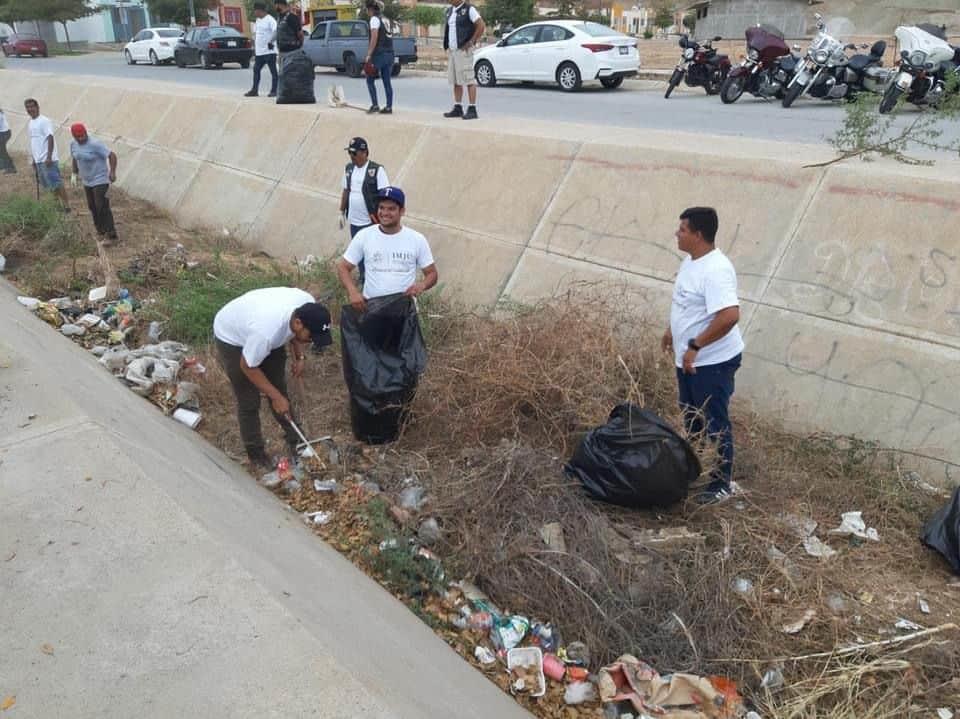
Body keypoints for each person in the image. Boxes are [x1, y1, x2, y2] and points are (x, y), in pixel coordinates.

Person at [661, 207, 744, 505]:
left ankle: (721, 483)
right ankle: (695, 470)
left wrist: (695, 346)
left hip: (712, 362)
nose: (677, 233)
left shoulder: (716, 270)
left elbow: (729, 316)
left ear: (698, 235)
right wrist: (672, 330)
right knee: (692, 417)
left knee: (714, 421)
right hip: (689, 360)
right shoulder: (690, 261)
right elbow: (687, 304)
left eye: (682, 229)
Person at [213, 288, 332, 469]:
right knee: (249, 400)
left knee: (279, 390)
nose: (312, 342)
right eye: (311, 337)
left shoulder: (307, 304)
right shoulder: (266, 333)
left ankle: (297, 442)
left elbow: (296, 336)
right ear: (298, 323)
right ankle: (256, 455)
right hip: (232, 338)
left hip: (260, 327)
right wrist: (275, 397)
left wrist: (299, 357)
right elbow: (248, 366)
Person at [336, 186, 437, 311]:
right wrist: (353, 292)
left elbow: (432, 273)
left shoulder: (417, 239)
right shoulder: (365, 235)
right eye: (381, 208)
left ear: (402, 211)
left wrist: (422, 285)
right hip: (372, 309)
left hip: (404, 312)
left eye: (391, 209)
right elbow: (343, 267)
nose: (384, 213)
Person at [69, 123, 118, 244]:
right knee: (92, 206)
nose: (81, 138)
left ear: (86, 133)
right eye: (78, 137)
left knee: (101, 205)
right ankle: (100, 230)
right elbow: (75, 158)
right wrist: (74, 174)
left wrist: (112, 172)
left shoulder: (95, 144)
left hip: (100, 178)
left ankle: (111, 234)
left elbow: (112, 155)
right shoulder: (73, 145)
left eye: (83, 135)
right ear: (74, 136)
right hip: (87, 180)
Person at [442, 0, 485, 120]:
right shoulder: (450, 11)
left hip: (464, 50)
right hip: (453, 51)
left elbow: (481, 25)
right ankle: (458, 107)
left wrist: (471, 42)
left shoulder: (469, 9)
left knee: (469, 79)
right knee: (456, 80)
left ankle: (472, 108)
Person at [340, 137, 390, 240]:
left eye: (354, 153)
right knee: (357, 252)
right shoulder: (348, 168)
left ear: (364, 152)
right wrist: (341, 212)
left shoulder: (377, 170)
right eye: (349, 152)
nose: (351, 156)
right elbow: (346, 190)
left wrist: (383, 218)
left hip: (370, 222)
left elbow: (385, 196)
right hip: (354, 222)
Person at [24, 98, 69, 210]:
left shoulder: (44, 121)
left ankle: (66, 206)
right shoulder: (30, 123)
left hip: (47, 159)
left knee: (56, 183)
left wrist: (49, 156)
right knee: (47, 185)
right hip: (38, 160)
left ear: (37, 107)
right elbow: (34, 142)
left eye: (32, 106)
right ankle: (57, 205)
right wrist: (34, 159)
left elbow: (50, 137)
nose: (30, 109)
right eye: (28, 107)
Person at [362, 0, 395, 114]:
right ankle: (389, 107)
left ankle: (375, 105)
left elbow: (374, 37)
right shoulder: (386, 19)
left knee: (369, 79)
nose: (367, 12)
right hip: (390, 53)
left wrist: (369, 54)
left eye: (367, 10)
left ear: (371, 9)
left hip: (379, 54)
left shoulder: (374, 19)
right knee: (387, 81)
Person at [246, 2, 278, 97]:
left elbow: (276, 31)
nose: (254, 13)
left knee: (273, 71)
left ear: (260, 11)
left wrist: (271, 42)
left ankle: (274, 91)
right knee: (256, 70)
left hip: (269, 51)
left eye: (255, 11)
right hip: (259, 52)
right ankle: (254, 90)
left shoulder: (270, 19)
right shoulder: (258, 20)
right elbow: (257, 34)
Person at [0, 107, 15, 174]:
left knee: (2, 150)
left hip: (4, 133)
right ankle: (3, 164)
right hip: (4, 132)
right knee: (2, 150)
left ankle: (11, 168)